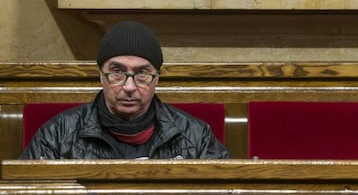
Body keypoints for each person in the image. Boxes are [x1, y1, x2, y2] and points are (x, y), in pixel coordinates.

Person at [20, 21, 230, 159]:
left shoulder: (196, 136)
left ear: (156, 80)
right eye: (117, 72)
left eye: (142, 74)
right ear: (101, 76)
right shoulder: (56, 134)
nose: (129, 87)